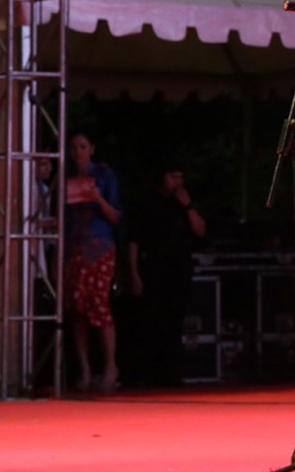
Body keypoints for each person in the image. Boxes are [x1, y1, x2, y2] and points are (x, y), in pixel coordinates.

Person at [126, 162, 206, 387]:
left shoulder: (184, 204)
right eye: (172, 177)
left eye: (180, 178)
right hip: (153, 269)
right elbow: (133, 240)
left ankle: (172, 374)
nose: (177, 183)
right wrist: (134, 274)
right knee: (151, 322)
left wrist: (188, 206)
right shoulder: (147, 204)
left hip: (179, 270)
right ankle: (147, 375)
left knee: (175, 322)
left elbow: (200, 230)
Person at [63, 131, 122, 392]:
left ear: (91, 149)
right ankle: (85, 369)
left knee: (99, 304)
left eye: (82, 146)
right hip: (74, 247)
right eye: (74, 147)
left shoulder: (105, 175)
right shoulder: (67, 177)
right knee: (77, 308)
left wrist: (97, 197)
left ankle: (110, 367)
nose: (78, 152)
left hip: (99, 247)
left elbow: (116, 216)